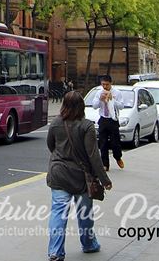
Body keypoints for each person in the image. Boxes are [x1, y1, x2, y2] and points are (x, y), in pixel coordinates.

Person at [47, 91, 112, 260]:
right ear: (82, 106)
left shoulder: (55, 123)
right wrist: (105, 180)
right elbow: (93, 156)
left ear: (64, 105)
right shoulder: (87, 126)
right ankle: (89, 244)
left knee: (58, 213)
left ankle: (55, 252)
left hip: (58, 173)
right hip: (81, 177)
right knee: (84, 213)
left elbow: (51, 145)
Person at [87, 75, 126, 170]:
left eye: (106, 84)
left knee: (115, 142)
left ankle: (118, 157)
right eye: (103, 84)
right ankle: (105, 164)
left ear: (111, 83)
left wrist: (113, 100)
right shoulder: (99, 93)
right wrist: (100, 99)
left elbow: (121, 106)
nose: (104, 87)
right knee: (102, 143)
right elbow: (95, 106)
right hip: (103, 119)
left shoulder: (117, 93)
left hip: (113, 119)